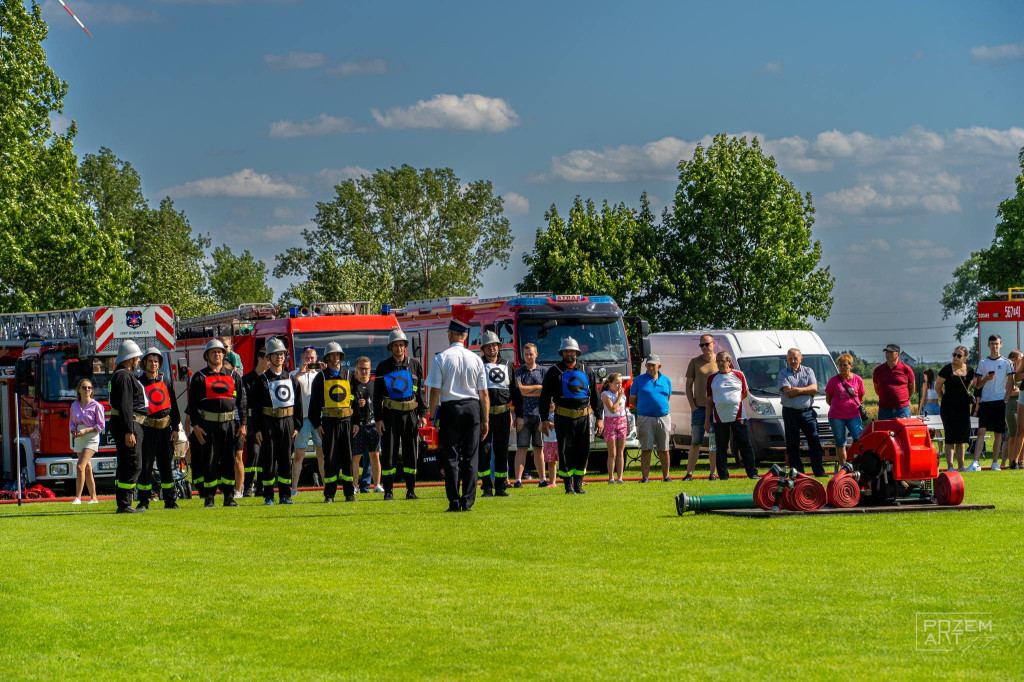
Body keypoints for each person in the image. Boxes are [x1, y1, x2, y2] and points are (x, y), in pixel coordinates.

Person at [425, 319, 487, 512]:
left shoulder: (441, 358)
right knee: (471, 457)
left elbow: (434, 392)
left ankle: (453, 501)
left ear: (450, 335)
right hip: (472, 407)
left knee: (451, 456)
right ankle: (467, 501)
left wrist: (431, 417)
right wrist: (486, 419)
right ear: (466, 336)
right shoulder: (476, 358)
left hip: (450, 408)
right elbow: (484, 394)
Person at [188, 339, 247, 508]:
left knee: (229, 460)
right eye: (213, 352)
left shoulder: (233, 375)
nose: (217, 355)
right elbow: (192, 405)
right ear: (207, 355)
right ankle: (209, 498)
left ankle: (229, 496)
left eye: (220, 352)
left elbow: (242, 402)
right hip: (208, 425)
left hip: (229, 425)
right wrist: (195, 426)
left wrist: (243, 424)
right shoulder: (199, 377)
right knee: (210, 461)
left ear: (224, 354)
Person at [539, 337, 602, 494]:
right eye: (566, 351)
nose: (569, 354)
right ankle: (568, 486)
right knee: (565, 450)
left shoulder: (586, 370)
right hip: (563, 417)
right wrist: (544, 419)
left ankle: (579, 484)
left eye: (571, 351)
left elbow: (595, 395)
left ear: (577, 352)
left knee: (583, 449)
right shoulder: (554, 372)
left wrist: (599, 418)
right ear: (562, 353)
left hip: (583, 417)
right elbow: (545, 396)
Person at [374, 330, 427, 501]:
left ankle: (411, 490)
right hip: (390, 415)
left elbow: (422, 392)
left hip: (411, 414)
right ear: (391, 347)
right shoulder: (383, 367)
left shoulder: (415, 365)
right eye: (396, 345)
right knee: (389, 452)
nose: (399, 348)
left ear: (405, 347)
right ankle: (388, 491)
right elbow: (377, 396)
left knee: (411, 453)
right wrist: (379, 419)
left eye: (401, 345)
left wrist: (423, 414)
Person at [250, 338, 301, 505]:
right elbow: (255, 407)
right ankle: (269, 495)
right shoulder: (261, 380)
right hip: (268, 423)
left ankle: (285, 495)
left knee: (286, 459)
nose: (279, 357)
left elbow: (298, 404)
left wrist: (296, 426)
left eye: (282, 354)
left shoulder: (291, 378)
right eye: (276, 355)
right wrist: (257, 428)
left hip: (287, 422)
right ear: (269, 357)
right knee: (269, 460)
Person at [308, 342, 357, 503]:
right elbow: (314, 404)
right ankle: (329, 494)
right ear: (327, 357)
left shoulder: (349, 375)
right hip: (329, 424)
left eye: (338, 355)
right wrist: (317, 425)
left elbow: (355, 400)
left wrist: (356, 422)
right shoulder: (320, 377)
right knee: (330, 459)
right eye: (332, 355)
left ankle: (349, 493)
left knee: (348, 459)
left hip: (347, 423)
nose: (335, 358)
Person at [479, 331, 523, 498]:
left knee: (501, 451)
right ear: (483, 348)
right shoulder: (478, 364)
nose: (493, 348)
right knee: (484, 451)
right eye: (489, 346)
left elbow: (516, 393)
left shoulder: (508, 366)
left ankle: (500, 486)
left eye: (495, 345)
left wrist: (519, 415)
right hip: (484, 416)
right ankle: (486, 487)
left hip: (503, 414)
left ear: (499, 347)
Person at [136, 347, 182, 510]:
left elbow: (174, 407)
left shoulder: (166, 382)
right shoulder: (139, 383)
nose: (153, 364)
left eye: (156, 361)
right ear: (144, 363)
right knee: (146, 467)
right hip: (147, 431)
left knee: (166, 468)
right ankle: (143, 501)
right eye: (150, 361)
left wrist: (175, 428)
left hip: (165, 431)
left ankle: (170, 501)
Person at [704, 351, 757, 480]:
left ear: (729, 362)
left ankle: (752, 473)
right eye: (718, 361)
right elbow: (709, 400)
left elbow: (744, 393)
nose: (720, 363)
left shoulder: (739, 375)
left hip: (739, 416)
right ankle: (723, 475)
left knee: (745, 445)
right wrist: (707, 419)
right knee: (721, 447)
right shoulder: (711, 378)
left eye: (722, 361)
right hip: (719, 417)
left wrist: (732, 400)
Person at [109, 340, 147, 513]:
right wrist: (129, 430)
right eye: (137, 357)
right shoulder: (124, 376)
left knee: (126, 463)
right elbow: (125, 406)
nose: (138, 360)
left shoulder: (120, 374)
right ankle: (125, 504)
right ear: (130, 358)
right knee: (133, 463)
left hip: (127, 423)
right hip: (129, 424)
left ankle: (124, 502)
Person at [778, 348, 825, 477]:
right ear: (787, 360)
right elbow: (788, 391)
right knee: (792, 444)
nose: (793, 361)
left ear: (800, 358)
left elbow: (814, 388)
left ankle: (819, 472)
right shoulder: (782, 373)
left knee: (814, 442)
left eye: (795, 358)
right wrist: (806, 390)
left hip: (808, 412)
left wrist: (797, 390)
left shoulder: (809, 371)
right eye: (790, 359)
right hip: (790, 412)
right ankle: (798, 473)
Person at [970, 334, 1013, 471]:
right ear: (988, 345)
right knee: (981, 431)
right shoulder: (982, 363)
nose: (994, 346)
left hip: (1000, 402)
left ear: (1001, 345)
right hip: (985, 402)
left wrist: (1005, 399)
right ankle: (975, 462)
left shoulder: (1007, 362)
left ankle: (995, 463)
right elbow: (977, 386)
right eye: (992, 344)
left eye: (997, 344)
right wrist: (986, 379)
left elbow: (1011, 384)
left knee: (998, 433)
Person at [629, 355, 672, 483]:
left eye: (653, 365)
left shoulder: (666, 380)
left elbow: (667, 398)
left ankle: (666, 476)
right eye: (648, 365)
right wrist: (645, 408)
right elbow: (632, 400)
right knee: (646, 449)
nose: (651, 367)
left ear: (659, 366)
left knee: (664, 449)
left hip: (663, 418)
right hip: (645, 418)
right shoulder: (639, 380)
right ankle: (645, 477)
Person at [290, 346, 325, 496]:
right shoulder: (294, 374)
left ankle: (326, 486)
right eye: (307, 358)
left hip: (318, 419)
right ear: (302, 357)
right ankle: (294, 488)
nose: (309, 361)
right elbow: (288, 390)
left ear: (316, 359)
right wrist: (300, 372)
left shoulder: (321, 375)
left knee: (322, 454)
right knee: (299, 455)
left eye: (312, 358)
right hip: (302, 419)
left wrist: (324, 371)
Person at [936, 346, 976, 472]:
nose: (955, 357)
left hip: (963, 408)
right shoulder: (946, 369)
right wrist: (943, 398)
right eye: (954, 354)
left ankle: (961, 466)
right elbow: (938, 386)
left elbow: (969, 386)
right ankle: (950, 466)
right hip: (948, 408)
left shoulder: (970, 370)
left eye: (959, 355)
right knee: (950, 437)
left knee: (962, 438)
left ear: (965, 357)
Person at [684, 334, 718, 481]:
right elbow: (688, 386)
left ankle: (713, 473)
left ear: (713, 344)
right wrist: (693, 406)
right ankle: (689, 473)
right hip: (699, 408)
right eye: (701, 345)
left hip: (716, 409)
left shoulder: (721, 361)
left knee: (713, 442)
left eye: (707, 344)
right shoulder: (695, 362)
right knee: (695, 442)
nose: (704, 347)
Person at [513, 343, 546, 487]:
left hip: (539, 415)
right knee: (522, 448)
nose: (528, 357)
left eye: (531, 354)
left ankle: (542, 479)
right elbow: (518, 391)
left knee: (539, 448)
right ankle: (518, 480)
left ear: (536, 354)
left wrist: (526, 390)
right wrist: (537, 388)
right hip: (523, 415)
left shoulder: (544, 371)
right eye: (526, 354)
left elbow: (545, 391)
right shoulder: (518, 372)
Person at [824, 353, 865, 467]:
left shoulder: (858, 380)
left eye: (845, 365)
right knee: (840, 442)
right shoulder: (833, 381)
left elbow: (860, 397)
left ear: (851, 366)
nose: (842, 367)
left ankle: (858, 464)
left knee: (859, 439)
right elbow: (829, 399)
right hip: (836, 416)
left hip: (854, 416)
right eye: (840, 365)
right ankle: (843, 466)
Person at [69, 377, 103, 505]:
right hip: (79, 436)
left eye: (89, 388)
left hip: (91, 436)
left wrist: (86, 431)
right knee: (87, 468)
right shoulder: (74, 405)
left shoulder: (97, 406)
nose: (87, 390)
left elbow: (100, 425)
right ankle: (94, 498)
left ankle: (78, 497)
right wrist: (73, 431)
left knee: (80, 466)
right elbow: (72, 423)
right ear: (79, 390)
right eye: (84, 387)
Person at [240, 349, 269, 496]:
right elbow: (243, 403)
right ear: (259, 359)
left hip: (266, 420)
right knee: (254, 453)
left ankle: (261, 487)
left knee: (264, 455)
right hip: (251, 420)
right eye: (267, 359)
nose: (269, 362)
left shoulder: (269, 379)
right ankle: (248, 486)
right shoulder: (247, 379)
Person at [352, 356, 382, 493]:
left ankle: (376, 485)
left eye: (367, 369)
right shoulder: (352, 386)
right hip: (357, 426)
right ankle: (354, 486)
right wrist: (356, 405)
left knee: (375, 455)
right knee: (356, 456)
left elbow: (381, 404)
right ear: (356, 369)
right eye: (361, 369)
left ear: (370, 369)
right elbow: (346, 404)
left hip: (372, 425)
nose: (364, 371)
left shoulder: (375, 385)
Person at [873, 344, 915, 419]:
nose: (888, 354)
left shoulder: (906, 369)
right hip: (884, 409)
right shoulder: (878, 370)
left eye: (891, 352)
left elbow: (912, 389)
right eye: (887, 352)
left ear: (898, 354)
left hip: (902, 409)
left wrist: (901, 399)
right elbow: (877, 389)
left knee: (902, 430)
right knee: (883, 430)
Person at [601, 373, 627, 484]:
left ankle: (620, 477)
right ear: (610, 384)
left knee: (621, 452)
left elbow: (624, 410)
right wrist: (619, 396)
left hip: (622, 422)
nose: (619, 385)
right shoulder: (605, 394)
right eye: (617, 383)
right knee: (612, 452)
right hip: (610, 423)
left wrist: (628, 426)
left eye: (620, 383)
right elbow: (612, 409)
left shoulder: (623, 394)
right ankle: (611, 477)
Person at [999, 350, 1021, 470]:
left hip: (1021, 404)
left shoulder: (1021, 372)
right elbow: (1005, 391)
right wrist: (1018, 391)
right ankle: (1013, 462)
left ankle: (1020, 461)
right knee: (1012, 435)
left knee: (1021, 435)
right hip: (1012, 406)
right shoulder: (1009, 373)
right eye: (1019, 359)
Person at [541, 402, 559, 486]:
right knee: (551, 462)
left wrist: (553, 425)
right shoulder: (544, 416)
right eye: (549, 402)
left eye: (552, 403)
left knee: (565, 461)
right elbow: (539, 427)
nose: (551, 405)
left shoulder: (559, 413)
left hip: (559, 441)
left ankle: (571, 480)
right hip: (548, 441)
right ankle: (552, 482)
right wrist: (546, 424)